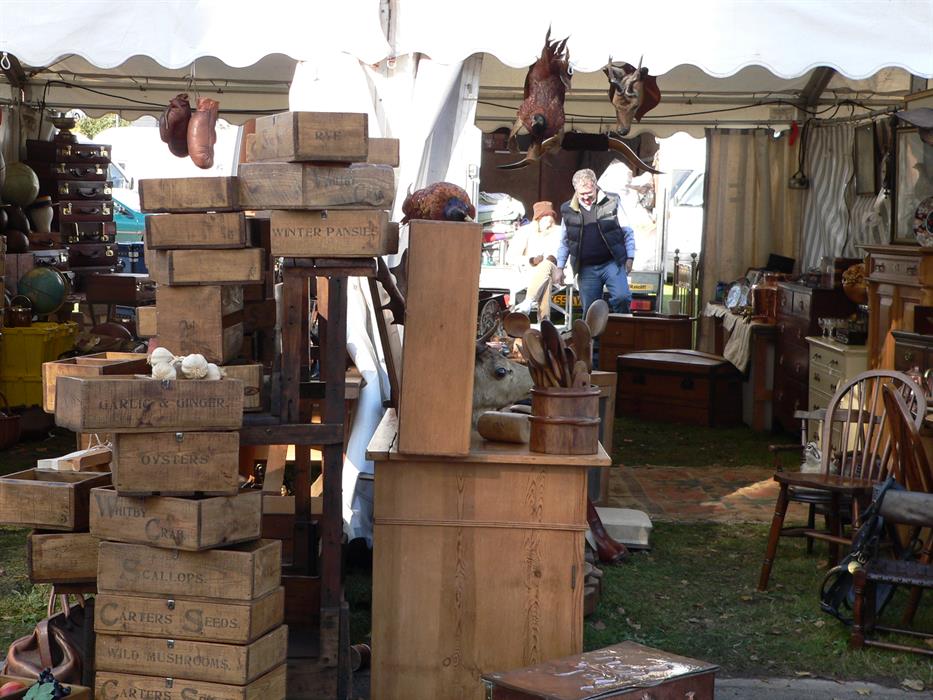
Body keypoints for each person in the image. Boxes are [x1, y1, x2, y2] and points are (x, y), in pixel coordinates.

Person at [556, 168, 636, 314]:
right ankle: (594, 330)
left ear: (595, 186)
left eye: (589, 193)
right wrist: (560, 267)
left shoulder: (613, 201)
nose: (586, 197)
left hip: (612, 262)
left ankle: (622, 326)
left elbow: (627, 231)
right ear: (575, 190)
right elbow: (565, 241)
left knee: (622, 297)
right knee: (590, 311)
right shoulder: (567, 210)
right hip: (586, 267)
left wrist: (630, 257)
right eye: (582, 194)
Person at [507, 201, 563, 321]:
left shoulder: (560, 232)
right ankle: (544, 320)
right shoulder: (525, 231)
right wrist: (531, 260)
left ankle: (528, 302)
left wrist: (555, 259)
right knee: (545, 278)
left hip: (556, 271)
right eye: (545, 216)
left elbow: (567, 253)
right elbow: (510, 257)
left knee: (546, 265)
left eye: (550, 216)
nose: (548, 220)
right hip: (531, 274)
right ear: (537, 219)